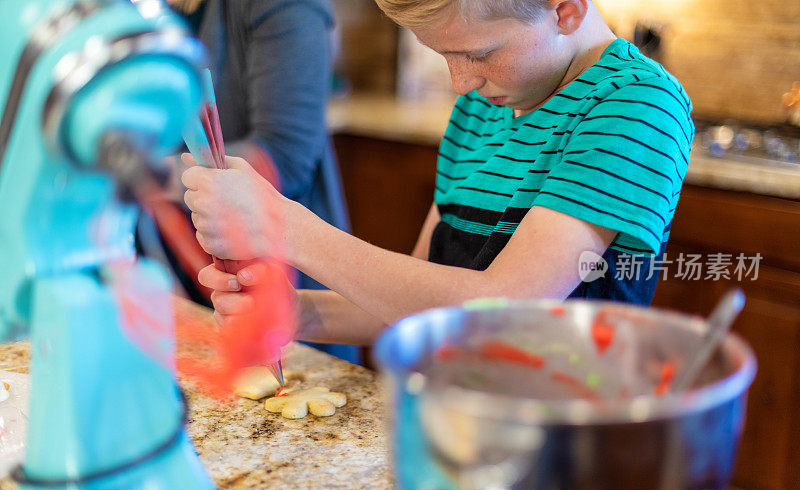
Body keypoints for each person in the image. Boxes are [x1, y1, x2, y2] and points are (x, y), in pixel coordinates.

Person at [181, 0, 693, 348]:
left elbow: (504, 311)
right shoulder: (485, 106)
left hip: (563, 448)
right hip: (455, 422)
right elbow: (421, 305)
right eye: (443, 55)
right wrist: (302, 313)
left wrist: (282, 226)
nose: (460, 82)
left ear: (564, 8)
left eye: (479, 53)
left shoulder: (635, 104)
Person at [146, 0, 356, 361]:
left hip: (288, 286)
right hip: (190, 283)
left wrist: (142, 175)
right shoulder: (143, 15)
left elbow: (284, 155)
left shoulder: (283, 6)